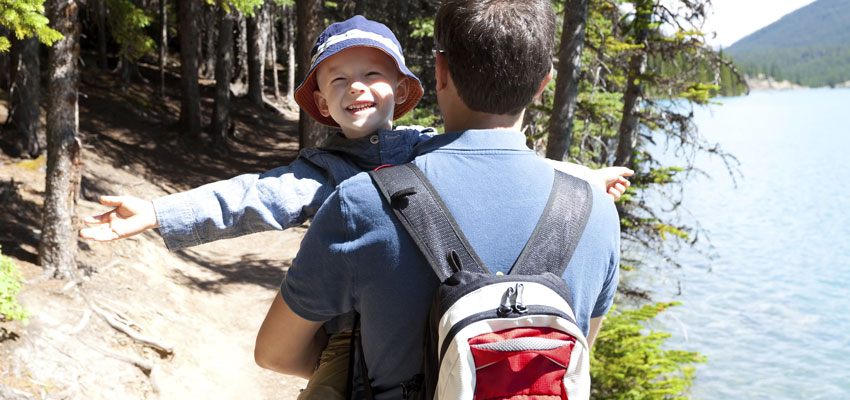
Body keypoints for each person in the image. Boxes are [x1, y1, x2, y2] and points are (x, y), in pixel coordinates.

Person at [81, 14, 628, 400]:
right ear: (320, 102)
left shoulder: (424, 145)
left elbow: (499, 161)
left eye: (371, 75)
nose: (356, 89)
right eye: (337, 80)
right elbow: (250, 196)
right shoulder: (322, 175)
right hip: (349, 341)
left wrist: (582, 176)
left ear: (403, 88)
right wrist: (159, 212)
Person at [253, 2, 622, 399]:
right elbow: (578, 351)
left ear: (440, 71)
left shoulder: (361, 203)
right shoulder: (596, 212)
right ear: (543, 84)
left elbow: (275, 353)